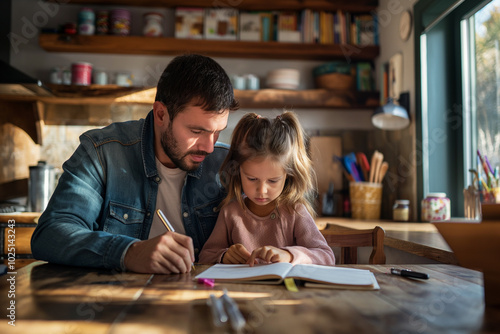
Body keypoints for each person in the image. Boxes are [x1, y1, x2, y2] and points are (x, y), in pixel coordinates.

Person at [31, 54, 239, 274]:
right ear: (161, 114)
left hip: (204, 303)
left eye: (217, 132)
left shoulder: (226, 165)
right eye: (197, 131)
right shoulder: (103, 153)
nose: (208, 147)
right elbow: (50, 235)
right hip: (117, 303)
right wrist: (128, 252)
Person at [199, 112, 335, 266]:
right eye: (252, 179)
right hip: (240, 290)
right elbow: (205, 257)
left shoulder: (294, 212)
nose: (262, 190)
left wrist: (289, 255)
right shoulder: (231, 212)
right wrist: (224, 256)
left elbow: (326, 256)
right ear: (238, 172)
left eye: (273, 181)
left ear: (288, 176)